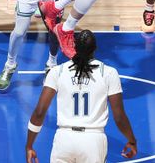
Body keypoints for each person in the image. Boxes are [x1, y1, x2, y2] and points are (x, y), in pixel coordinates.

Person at [26, 30, 138, 163]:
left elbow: (39, 112)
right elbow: (119, 117)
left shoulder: (58, 71)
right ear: (95, 49)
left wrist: (29, 145)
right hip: (93, 141)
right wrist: (132, 140)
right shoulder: (108, 73)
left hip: (64, 140)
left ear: (74, 46)